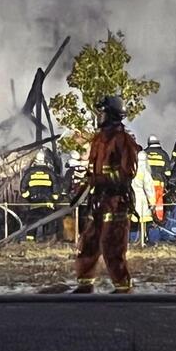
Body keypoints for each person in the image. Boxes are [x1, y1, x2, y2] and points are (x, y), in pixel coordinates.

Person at [73, 95, 140, 294]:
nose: (98, 116)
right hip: (99, 200)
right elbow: (94, 169)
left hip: (116, 201)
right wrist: (83, 186)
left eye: (101, 112)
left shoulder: (123, 140)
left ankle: (123, 287)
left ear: (111, 115)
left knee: (113, 245)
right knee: (89, 242)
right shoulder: (99, 140)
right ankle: (85, 284)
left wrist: (99, 180)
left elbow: (126, 173)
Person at [20, 149, 61, 241]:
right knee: (49, 221)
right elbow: (55, 186)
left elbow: (23, 188)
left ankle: (30, 240)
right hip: (48, 202)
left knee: (32, 222)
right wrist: (54, 199)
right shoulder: (50, 172)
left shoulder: (29, 172)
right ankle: (48, 241)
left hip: (34, 202)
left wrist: (29, 198)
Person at [131, 147, 157, 242]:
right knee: (144, 221)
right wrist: (152, 202)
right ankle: (143, 242)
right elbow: (149, 188)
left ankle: (132, 242)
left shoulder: (130, 169)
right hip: (141, 199)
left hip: (130, 198)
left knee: (132, 223)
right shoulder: (144, 171)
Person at [144, 135, 168, 222]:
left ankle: (147, 220)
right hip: (158, 183)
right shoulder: (163, 154)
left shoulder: (144, 153)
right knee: (158, 202)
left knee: (146, 201)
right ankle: (159, 219)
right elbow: (167, 172)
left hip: (146, 183)